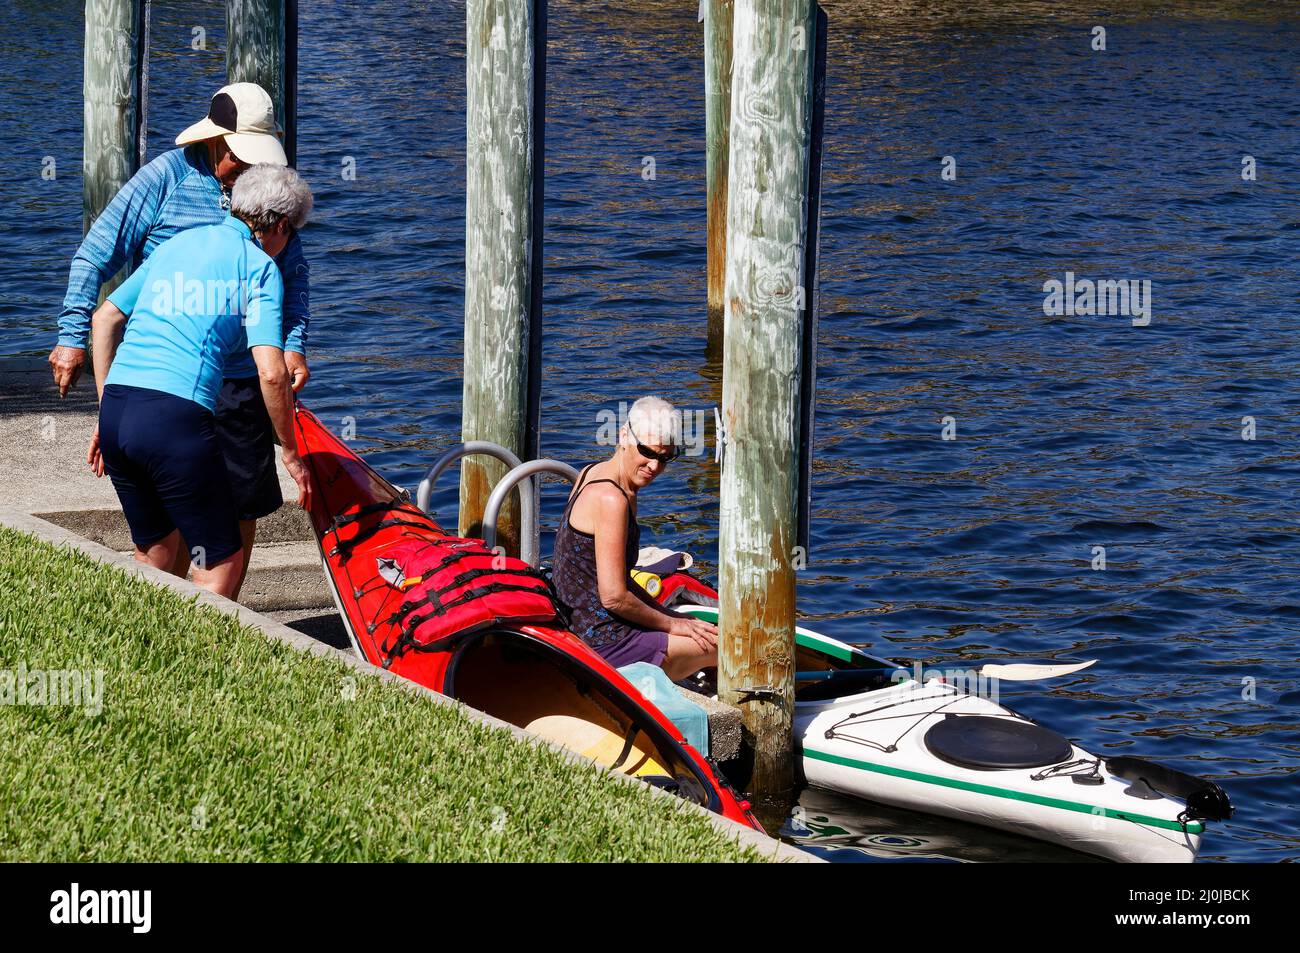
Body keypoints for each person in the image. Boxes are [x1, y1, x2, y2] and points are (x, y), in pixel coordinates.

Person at [50, 82, 311, 592]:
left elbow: (292, 278)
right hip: (169, 377)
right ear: (216, 142)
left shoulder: (268, 193)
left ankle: (215, 631)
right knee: (164, 540)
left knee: (236, 513)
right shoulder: (164, 179)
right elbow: (93, 257)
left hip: (238, 382)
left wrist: (294, 341)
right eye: (241, 157)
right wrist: (69, 336)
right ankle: (177, 635)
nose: (250, 171)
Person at [551, 397, 719, 680]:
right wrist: (672, 624)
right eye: (647, 452)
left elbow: (617, 579)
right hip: (600, 641)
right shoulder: (612, 499)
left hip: (579, 622)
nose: (654, 466)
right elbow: (615, 598)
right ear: (624, 436)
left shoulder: (593, 472)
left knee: (698, 627)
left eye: (665, 458)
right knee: (729, 646)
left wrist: (674, 620)